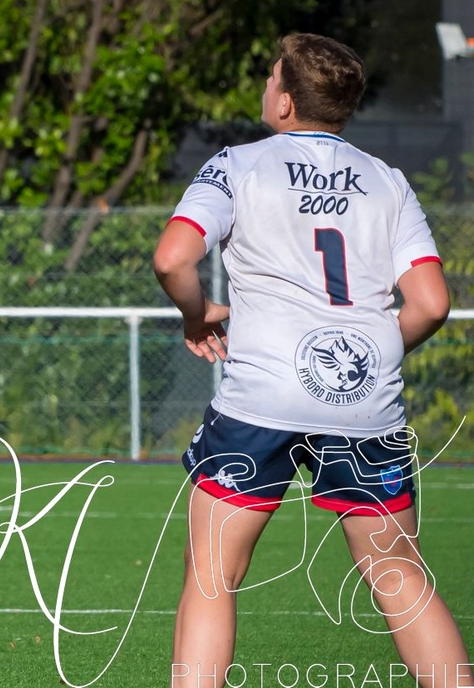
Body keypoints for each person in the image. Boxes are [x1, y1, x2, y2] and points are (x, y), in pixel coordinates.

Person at [157, 34, 469, 688]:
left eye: (272, 76)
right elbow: (432, 301)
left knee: (214, 573)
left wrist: (196, 314)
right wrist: (364, 353)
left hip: (260, 397)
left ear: (286, 101)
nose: (268, 85)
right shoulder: (388, 181)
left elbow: (172, 258)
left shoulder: (236, 166)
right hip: (363, 402)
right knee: (397, 572)